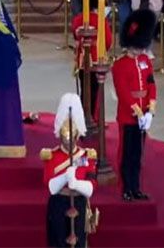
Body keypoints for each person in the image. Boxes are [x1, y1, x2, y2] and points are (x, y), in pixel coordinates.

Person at [41, 93, 97, 248]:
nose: (69, 142)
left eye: (72, 138)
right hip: (59, 203)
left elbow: (92, 186)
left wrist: (76, 184)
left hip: (79, 202)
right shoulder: (51, 155)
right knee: (58, 242)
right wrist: (65, 178)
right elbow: (50, 185)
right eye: (65, 138)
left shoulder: (86, 156)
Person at [111, 9, 156, 201]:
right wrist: (138, 113)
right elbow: (123, 93)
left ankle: (136, 187)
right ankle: (125, 187)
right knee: (126, 154)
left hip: (143, 115)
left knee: (138, 154)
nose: (139, 50)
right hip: (128, 117)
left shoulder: (145, 61)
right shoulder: (119, 65)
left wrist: (150, 111)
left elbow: (151, 85)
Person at [71, 0, 113, 121]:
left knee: (85, 92)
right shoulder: (100, 20)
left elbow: (76, 36)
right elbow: (108, 42)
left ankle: (83, 118)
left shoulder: (78, 19)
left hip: (82, 62)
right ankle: (93, 120)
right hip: (96, 61)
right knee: (95, 93)